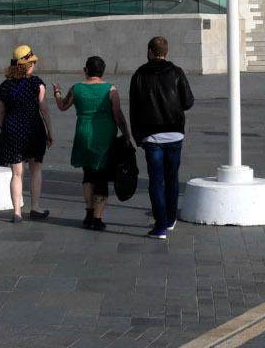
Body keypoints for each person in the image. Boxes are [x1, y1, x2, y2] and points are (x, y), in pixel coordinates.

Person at [128, 35, 194, 239]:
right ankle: (171, 218)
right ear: (166, 52)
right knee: (172, 177)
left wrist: (138, 137)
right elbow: (188, 102)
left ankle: (161, 225)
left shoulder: (139, 75)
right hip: (174, 134)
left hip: (152, 137)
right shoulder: (177, 72)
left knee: (156, 180)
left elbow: (134, 109)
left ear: (150, 51)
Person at [57, 55, 131, 231]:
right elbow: (117, 114)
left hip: (83, 134)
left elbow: (62, 106)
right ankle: (97, 219)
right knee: (102, 176)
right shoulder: (110, 89)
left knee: (88, 174)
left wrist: (57, 92)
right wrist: (126, 133)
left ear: (87, 70)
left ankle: (88, 213)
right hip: (103, 136)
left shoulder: (76, 88)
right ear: (102, 71)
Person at [0, 45, 53, 223]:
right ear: (28, 65)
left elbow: (2, 111)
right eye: (32, 62)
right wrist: (50, 131)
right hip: (33, 129)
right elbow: (44, 109)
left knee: (16, 173)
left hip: (12, 130)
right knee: (35, 169)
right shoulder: (37, 83)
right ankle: (35, 208)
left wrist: (4, 128)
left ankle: (17, 212)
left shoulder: (6, 85)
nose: (34, 65)